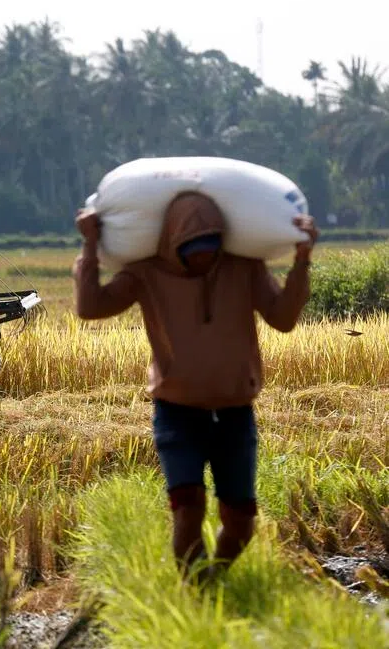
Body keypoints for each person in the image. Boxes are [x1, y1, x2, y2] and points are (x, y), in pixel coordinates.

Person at [73, 192, 318, 584]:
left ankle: (214, 581)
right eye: (194, 248)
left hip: (235, 412)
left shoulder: (244, 268)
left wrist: (302, 260)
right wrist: (89, 246)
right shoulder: (146, 272)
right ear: (174, 244)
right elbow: (90, 307)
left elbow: (283, 318)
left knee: (240, 522)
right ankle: (196, 593)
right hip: (177, 412)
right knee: (188, 510)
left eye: (212, 245)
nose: (205, 256)